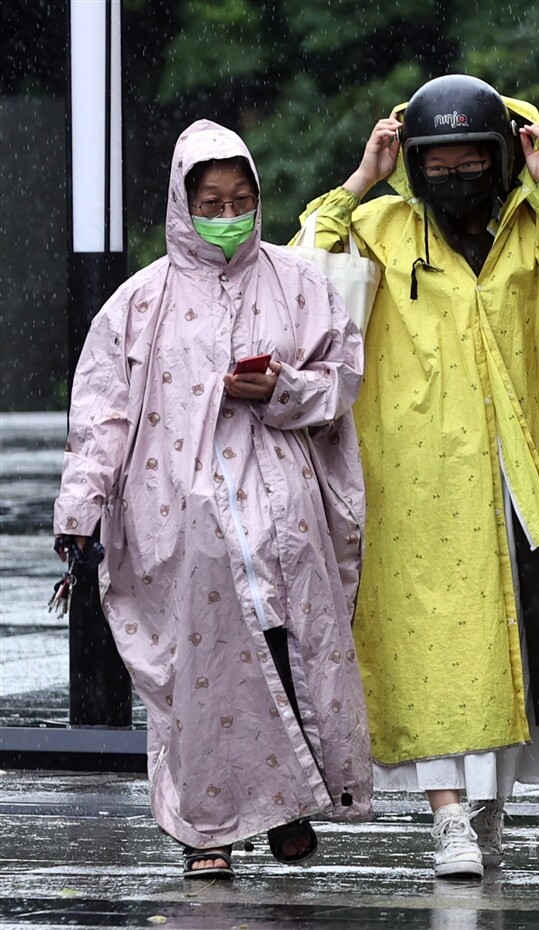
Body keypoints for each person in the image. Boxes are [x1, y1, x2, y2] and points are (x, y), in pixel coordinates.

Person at [296, 74, 539, 880]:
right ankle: (445, 816)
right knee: (424, 651)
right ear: (413, 162)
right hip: (413, 484)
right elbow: (303, 275)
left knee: (520, 647)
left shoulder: (537, 231)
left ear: (501, 157)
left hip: (519, 479)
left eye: (470, 160)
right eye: (435, 162)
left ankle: (488, 810)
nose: (454, 176)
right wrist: (358, 182)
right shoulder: (380, 229)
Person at [54, 120, 371, 878]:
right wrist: (79, 514)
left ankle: (290, 805)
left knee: (285, 652)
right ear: (181, 204)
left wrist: (281, 389)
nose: (226, 216)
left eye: (240, 199)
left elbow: (340, 382)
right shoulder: (138, 304)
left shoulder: (299, 284)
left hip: (280, 508)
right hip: (183, 515)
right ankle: (207, 833)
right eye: (211, 201)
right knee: (199, 679)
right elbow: (101, 416)